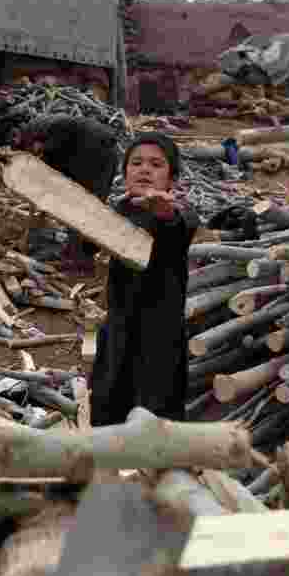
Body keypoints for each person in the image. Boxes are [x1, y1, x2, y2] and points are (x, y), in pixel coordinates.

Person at [88, 131, 199, 427]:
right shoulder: (120, 210)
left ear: (172, 179)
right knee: (107, 405)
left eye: (156, 164)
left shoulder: (181, 214)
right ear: (124, 174)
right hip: (119, 328)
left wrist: (164, 212)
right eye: (136, 163)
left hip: (159, 337)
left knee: (154, 416)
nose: (145, 169)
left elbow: (178, 228)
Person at [0, 114, 120, 273]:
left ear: (19, 126)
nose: (15, 142)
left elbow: (63, 142)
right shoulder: (35, 137)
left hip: (98, 154)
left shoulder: (42, 127)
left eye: (14, 136)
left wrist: (44, 153)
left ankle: (82, 259)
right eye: (10, 142)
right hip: (96, 154)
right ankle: (80, 253)